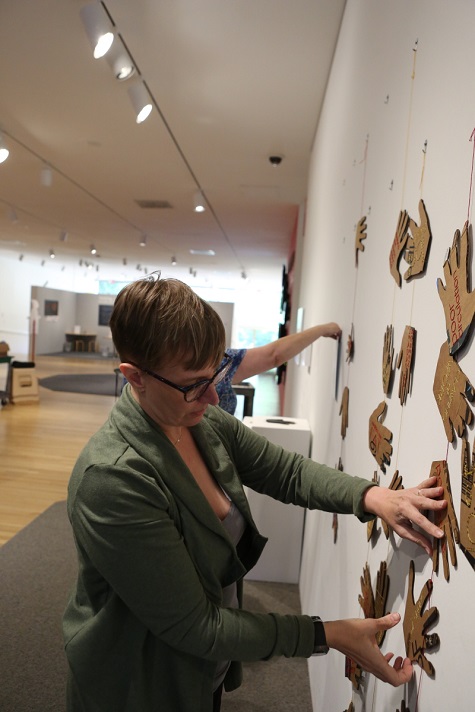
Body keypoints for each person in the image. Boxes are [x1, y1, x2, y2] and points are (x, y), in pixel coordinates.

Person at [62, 273, 446, 712]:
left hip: (200, 669)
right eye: (192, 384)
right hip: (140, 685)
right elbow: (198, 627)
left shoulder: (197, 421)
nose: (213, 396)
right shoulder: (112, 480)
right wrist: (329, 634)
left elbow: (284, 471)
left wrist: (373, 497)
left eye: (216, 373)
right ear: (135, 377)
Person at [216, 323, 342, 414]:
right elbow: (273, 355)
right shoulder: (217, 365)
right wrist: (323, 329)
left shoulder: (218, 363)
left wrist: (322, 329)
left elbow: (274, 355)